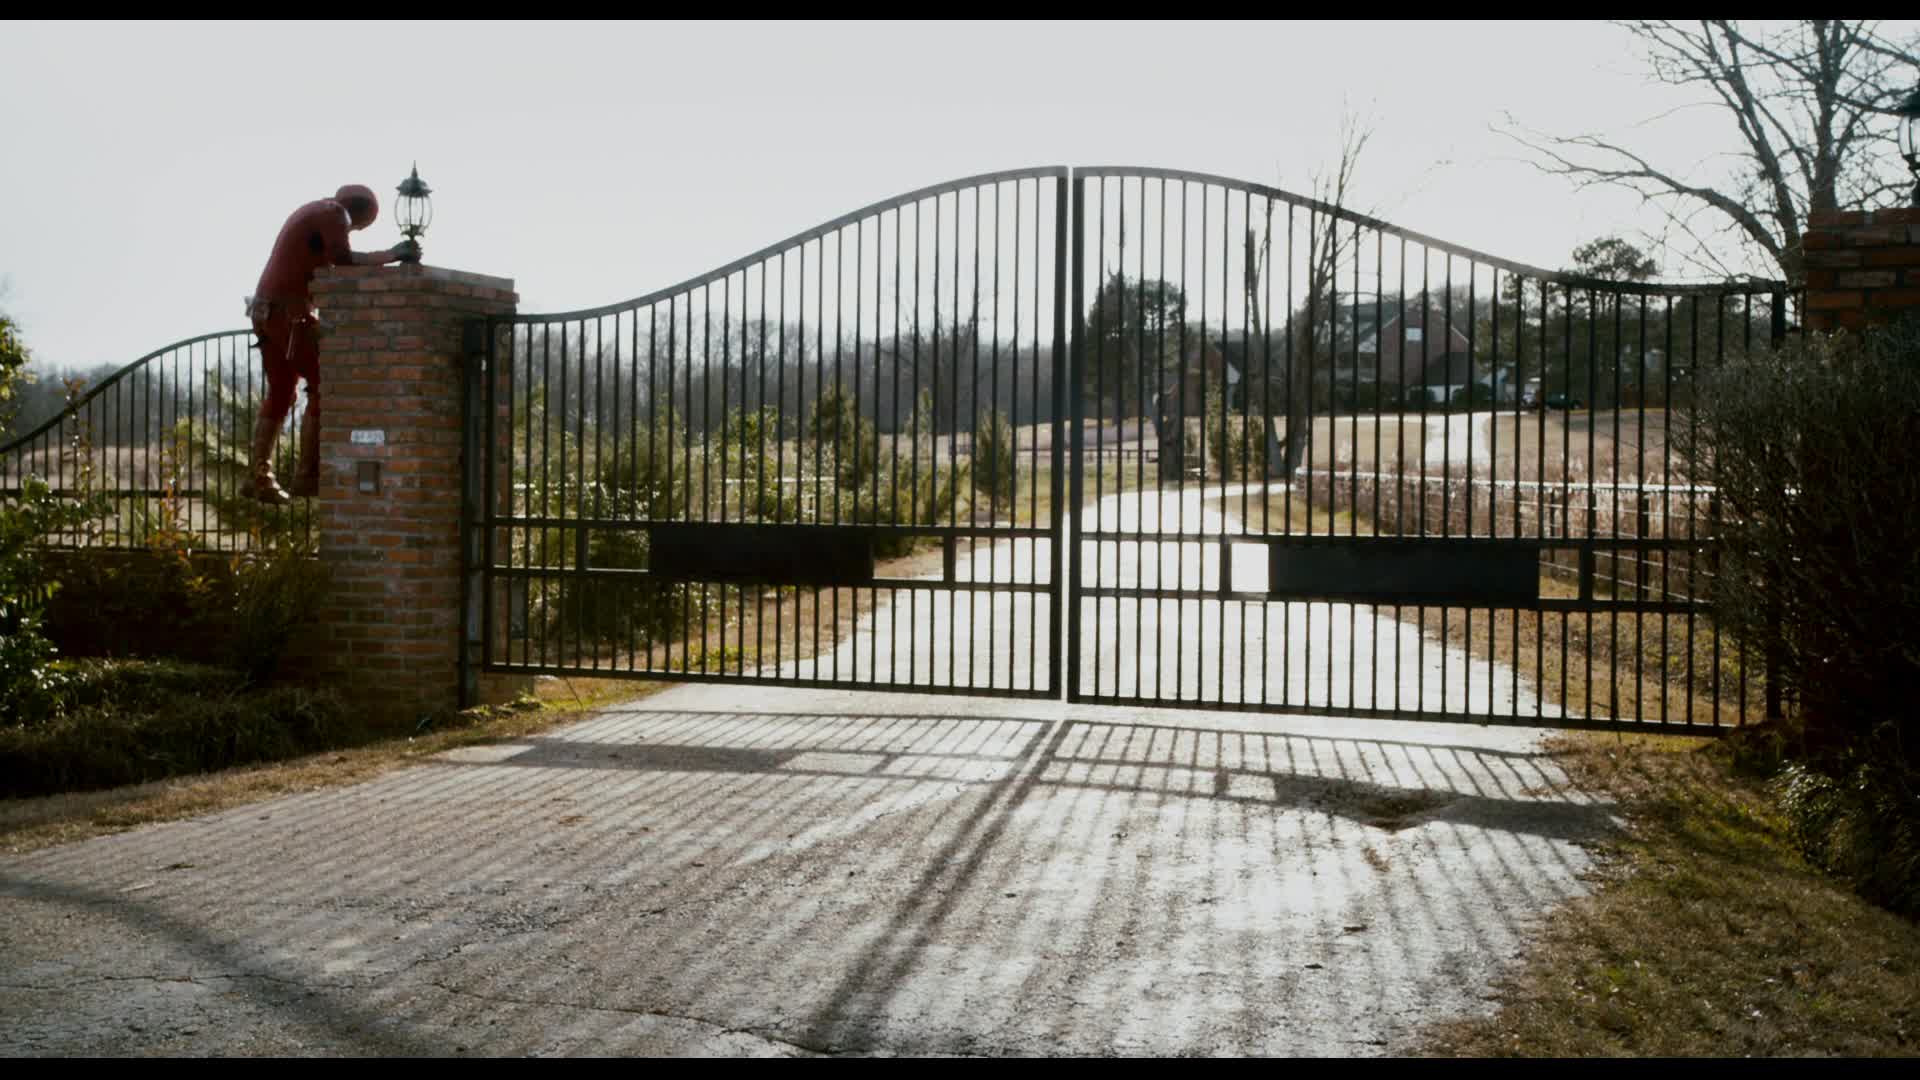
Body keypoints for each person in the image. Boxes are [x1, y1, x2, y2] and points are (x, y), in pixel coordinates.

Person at [246, 184, 419, 503]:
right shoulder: (333, 213)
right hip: (288, 314)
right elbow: (342, 258)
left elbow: (323, 265)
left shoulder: (311, 212)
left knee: (282, 391)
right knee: (324, 382)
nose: (352, 231)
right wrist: (392, 255)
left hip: (265, 311)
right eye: (358, 227)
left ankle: (260, 476)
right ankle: (308, 475)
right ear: (361, 215)